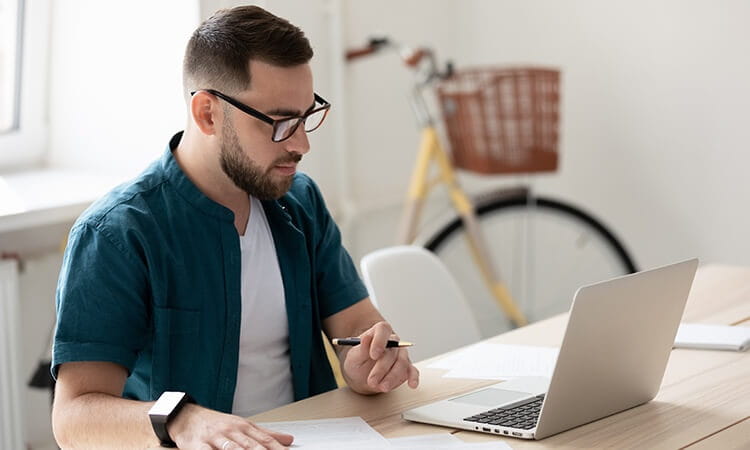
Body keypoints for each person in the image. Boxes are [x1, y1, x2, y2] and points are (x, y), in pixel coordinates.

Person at [51, 5, 419, 449]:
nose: (301, 143)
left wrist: (369, 360)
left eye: (306, 117)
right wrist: (184, 421)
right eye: (281, 122)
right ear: (208, 113)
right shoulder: (117, 234)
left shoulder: (300, 201)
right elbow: (74, 417)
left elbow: (358, 323)